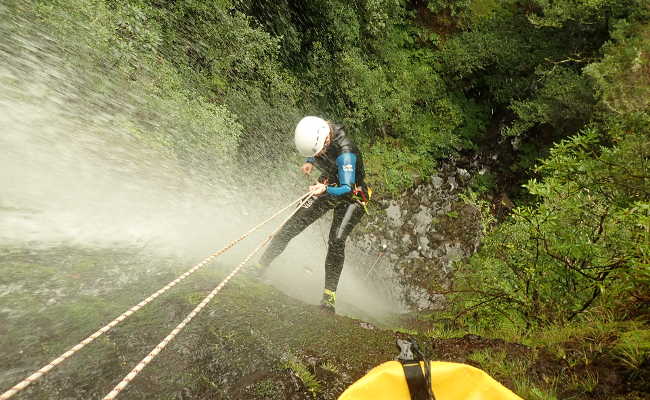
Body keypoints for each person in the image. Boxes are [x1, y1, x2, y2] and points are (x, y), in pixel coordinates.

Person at [255, 116, 369, 313]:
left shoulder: (346, 154)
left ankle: (329, 297)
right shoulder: (318, 132)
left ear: (326, 140)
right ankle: (260, 267)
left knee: (336, 240)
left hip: (351, 195)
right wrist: (309, 160)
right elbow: (316, 151)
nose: (318, 155)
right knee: (292, 223)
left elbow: (347, 189)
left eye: (318, 153)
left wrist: (324, 191)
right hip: (326, 186)